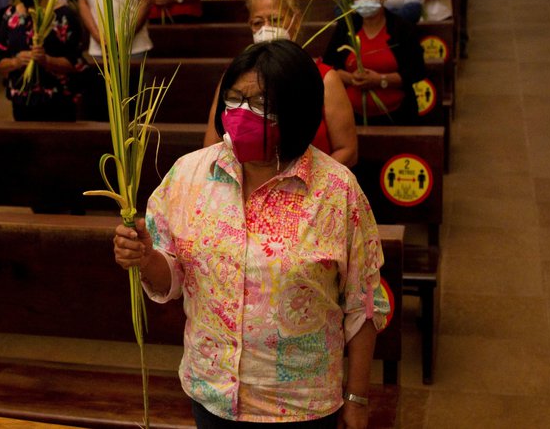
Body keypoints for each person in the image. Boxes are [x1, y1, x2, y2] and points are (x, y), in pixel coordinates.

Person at [114, 38, 389, 428]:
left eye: (262, 103)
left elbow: (363, 305)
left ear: (298, 108)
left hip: (300, 406)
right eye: (234, 99)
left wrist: (357, 399)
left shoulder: (336, 191)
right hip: (213, 395)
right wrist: (145, 258)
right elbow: (172, 278)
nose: (242, 113)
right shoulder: (190, 175)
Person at [202, 0, 357, 166]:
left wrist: (308, 181)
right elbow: (211, 146)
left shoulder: (324, 77)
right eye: (258, 22)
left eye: (275, 20)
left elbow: (347, 150)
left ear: (296, 21)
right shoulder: (234, 78)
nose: (266, 28)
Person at [323, 0, 427, 125]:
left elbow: (417, 70)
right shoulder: (346, 26)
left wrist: (380, 80)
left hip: (397, 115)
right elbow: (328, 65)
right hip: (350, 116)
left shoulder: (402, 28)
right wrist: (351, 79)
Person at [0, 0, 87, 122]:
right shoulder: (11, 16)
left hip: (58, 101)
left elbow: (76, 63)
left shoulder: (64, 16)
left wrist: (47, 60)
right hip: (22, 101)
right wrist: (16, 62)